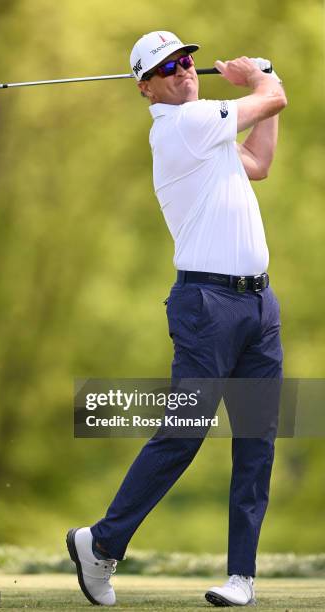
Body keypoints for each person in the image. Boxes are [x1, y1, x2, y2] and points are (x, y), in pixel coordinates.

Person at [67, 30, 287, 607]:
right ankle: (102, 543)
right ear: (146, 89)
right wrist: (260, 77)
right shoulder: (182, 127)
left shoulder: (207, 136)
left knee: (257, 442)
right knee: (185, 431)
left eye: (187, 60)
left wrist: (269, 82)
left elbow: (260, 161)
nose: (185, 70)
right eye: (168, 68)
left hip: (259, 306)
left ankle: (241, 577)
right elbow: (270, 101)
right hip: (206, 307)